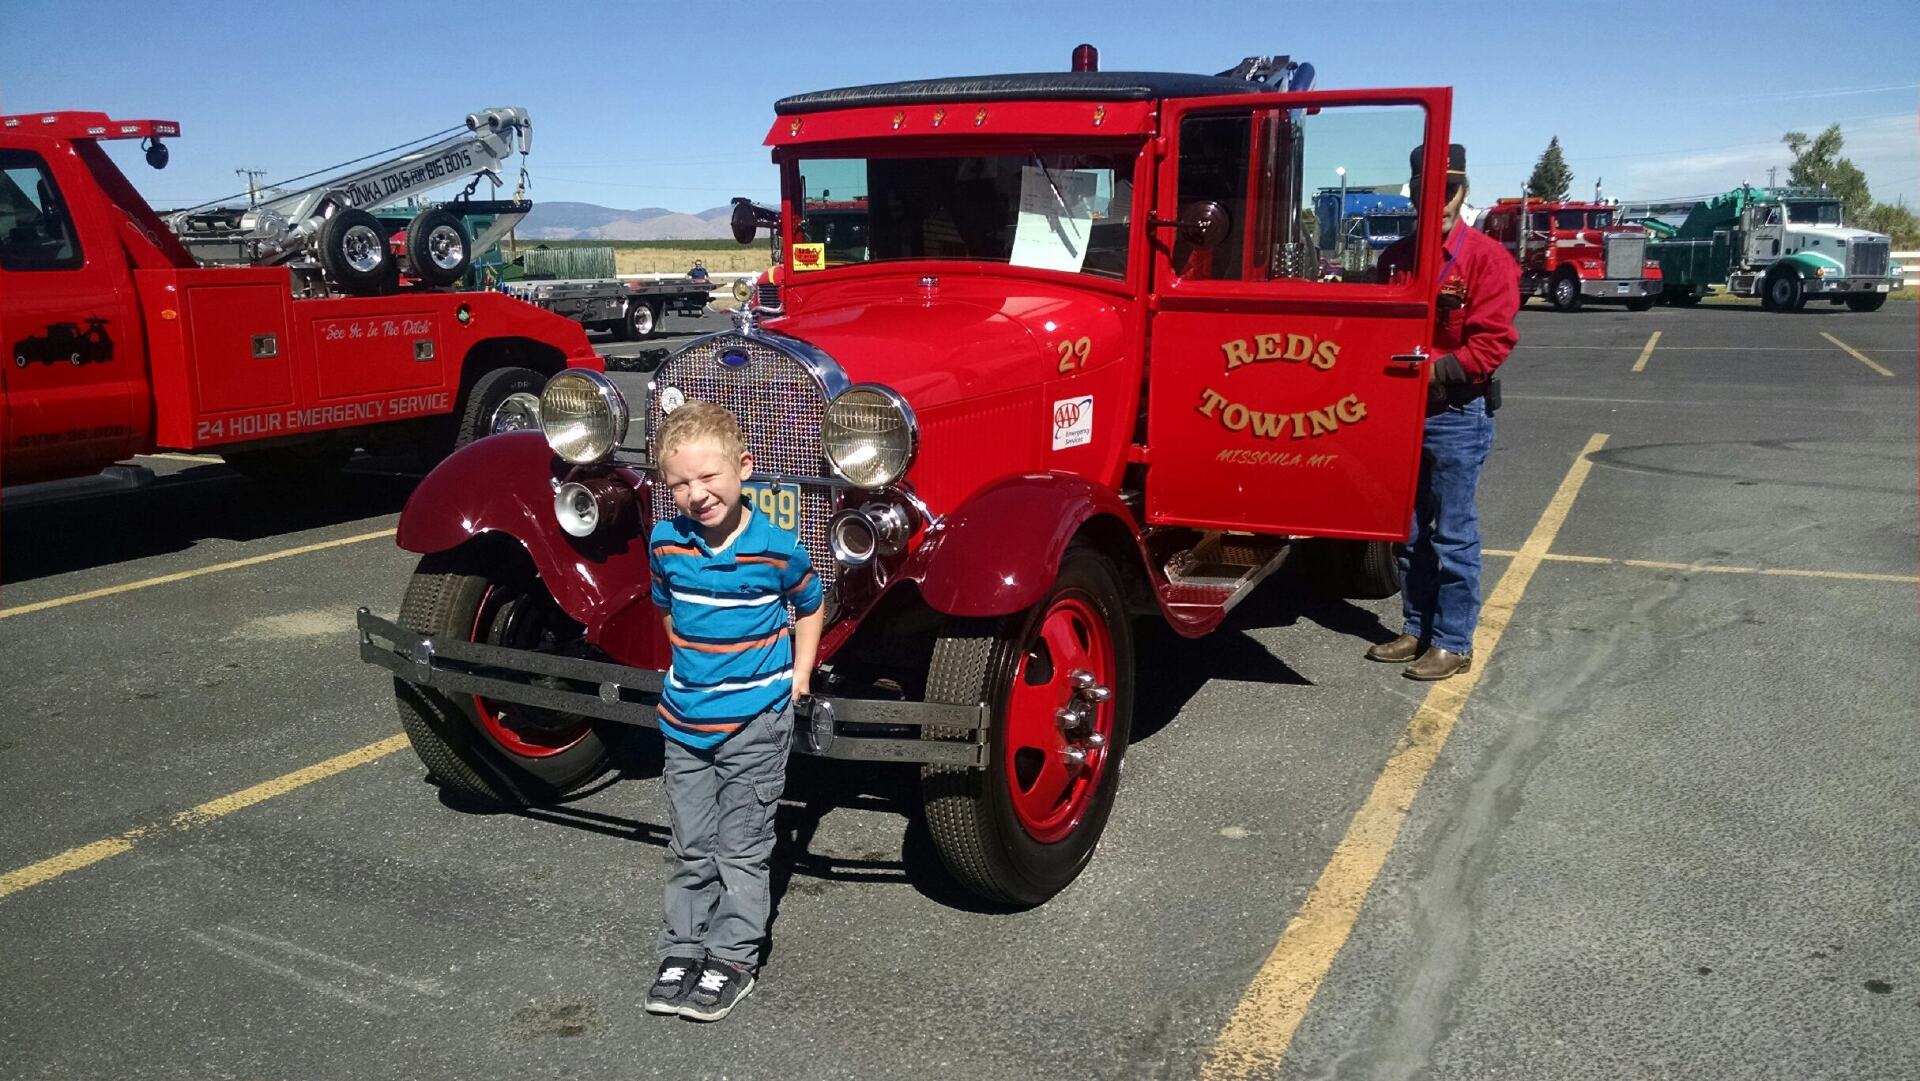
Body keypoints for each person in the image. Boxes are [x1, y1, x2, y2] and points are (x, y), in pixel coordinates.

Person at [644, 401, 824, 1021]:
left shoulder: (776, 548)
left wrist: (800, 675)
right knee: (690, 844)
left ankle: (732, 956)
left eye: (708, 476)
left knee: (741, 849)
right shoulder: (666, 541)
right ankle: (682, 946)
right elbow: (666, 607)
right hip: (684, 723)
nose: (696, 494)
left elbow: (810, 604)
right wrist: (688, 664)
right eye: (679, 484)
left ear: (743, 468)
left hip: (755, 723)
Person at [1368, 144, 1520, 681]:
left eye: (1448, 189)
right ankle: (1417, 628)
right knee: (1407, 533)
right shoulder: (1395, 259)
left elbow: (1491, 345)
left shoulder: (1487, 260)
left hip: (1455, 414)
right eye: (1426, 189)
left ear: (1463, 191)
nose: (1438, 199)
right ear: (1413, 194)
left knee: (1453, 533)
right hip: (1401, 416)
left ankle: (1453, 641)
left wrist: (1426, 372)